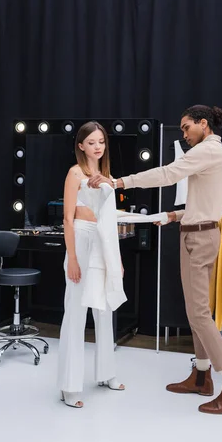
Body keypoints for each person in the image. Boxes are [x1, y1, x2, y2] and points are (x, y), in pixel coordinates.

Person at [88, 106, 222, 415]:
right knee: (196, 312)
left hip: (200, 237)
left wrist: (118, 182)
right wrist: (174, 215)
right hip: (196, 231)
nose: (184, 133)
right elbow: (206, 201)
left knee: (200, 314)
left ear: (204, 124)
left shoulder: (208, 151)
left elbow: (168, 173)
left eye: (187, 127)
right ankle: (202, 376)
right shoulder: (216, 154)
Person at [57, 121, 125, 409]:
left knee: (105, 307)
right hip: (82, 241)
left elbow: (111, 221)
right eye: (92, 142)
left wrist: (117, 259)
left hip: (104, 242)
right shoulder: (75, 174)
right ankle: (69, 386)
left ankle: (106, 372)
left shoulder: (106, 175)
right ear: (81, 145)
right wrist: (72, 257)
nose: (98, 146)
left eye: (101, 141)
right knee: (76, 311)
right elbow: (68, 218)